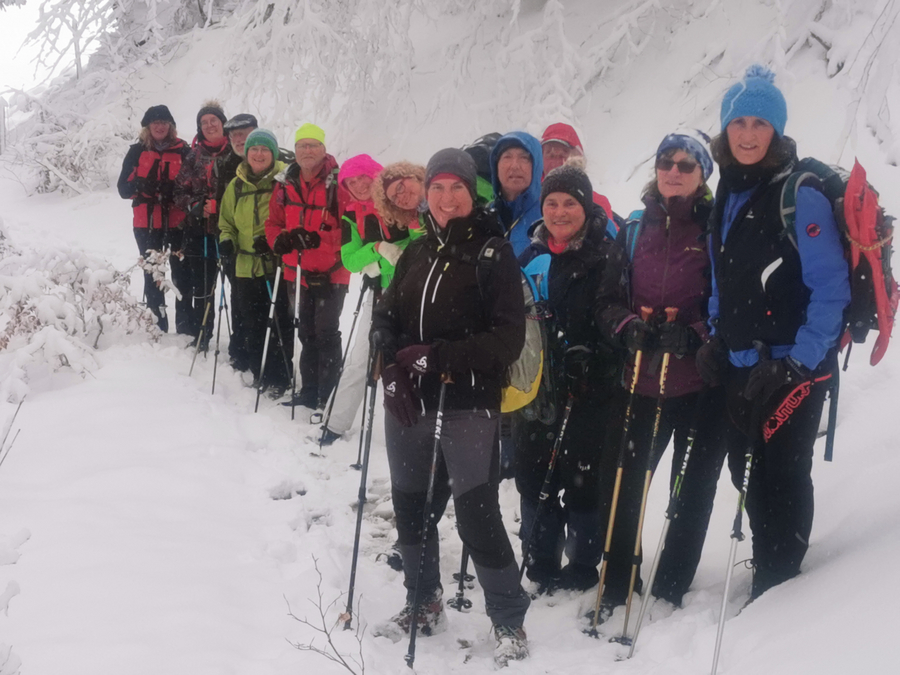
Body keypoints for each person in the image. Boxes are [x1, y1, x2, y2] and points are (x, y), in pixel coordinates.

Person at [370, 148, 531, 667]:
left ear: (472, 192)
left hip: (468, 403)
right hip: (411, 401)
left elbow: (507, 340)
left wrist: (439, 358)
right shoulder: (417, 251)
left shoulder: (494, 254)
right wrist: (388, 360)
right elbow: (388, 313)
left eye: (455, 188)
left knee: (476, 514)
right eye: (436, 188)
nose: (444, 198)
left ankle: (508, 618)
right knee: (411, 505)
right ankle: (422, 601)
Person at [701, 65, 850, 600]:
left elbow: (831, 288)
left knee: (782, 474)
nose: (747, 133)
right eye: (738, 122)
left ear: (776, 130)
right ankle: (770, 559)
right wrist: (717, 336)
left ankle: (781, 588)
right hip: (744, 363)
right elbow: (724, 273)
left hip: (795, 367)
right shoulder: (730, 191)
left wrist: (797, 363)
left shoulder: (798, 194)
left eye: (759, 122)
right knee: (746, 473)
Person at [594, 130, 728, 613]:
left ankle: (671, 587)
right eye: (666, 162)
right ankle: (617, 580)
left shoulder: (716, 231)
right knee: (626, 484)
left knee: (689, 490)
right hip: (640, 381)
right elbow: (607, 301)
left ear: (702, 175)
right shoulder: (632, 231)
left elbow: (731, 305)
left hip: (701, 386)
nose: (674, 171)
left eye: (686, 165)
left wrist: (696, 334)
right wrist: (628, 327)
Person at [514, 164, 621, 594]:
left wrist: (596, 354)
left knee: (584, 480)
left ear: (586, 205)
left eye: (570, 203)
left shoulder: (607, 255)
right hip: (538, 388)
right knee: (533, 475)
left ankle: (582, 565)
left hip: (590, 389)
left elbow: (616, 316)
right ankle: (540, 559)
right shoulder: (529, 256)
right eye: (551, 203)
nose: (559, 212)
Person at [315, 154, 420, 446]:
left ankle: (416, 426)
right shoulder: (351, 215)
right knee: (360, 358)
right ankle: (335, 424)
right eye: (352, 180)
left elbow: (418, 247)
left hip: (416, 292)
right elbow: (349, 260)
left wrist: (380, 262)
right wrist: (377, 247)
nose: (359, 184)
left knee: (415, 360)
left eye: (364, 177)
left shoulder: (402, 204)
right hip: (379, 296)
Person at [265, 123, 348, 410]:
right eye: (302, 146)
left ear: (324, 150)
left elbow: (350, 231)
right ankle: (309, 391)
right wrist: (280, 241)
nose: (307, 151)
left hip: (333, 271)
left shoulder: (338, 184)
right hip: (295, 271)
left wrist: (317, 239)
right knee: (305, 332)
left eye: (313, 145)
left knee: (326, 332)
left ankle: (329, 396)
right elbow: (273, 223)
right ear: (295, 151)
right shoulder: (284, 183)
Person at [217, 128, 291, 396]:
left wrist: (274, 240)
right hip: (245, 265)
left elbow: (292, 219)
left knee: (279, 322)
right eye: (254, 150)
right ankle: (261, 372)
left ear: (273, 153)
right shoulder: (236, 186)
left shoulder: (284, 182)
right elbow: (226, 221)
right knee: (252, 322)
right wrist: (227, 239)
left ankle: (280, 376)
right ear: (246, 153)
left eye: (264, 149)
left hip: (275, 265)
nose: (259, 154)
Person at [117, 104, 190, 333]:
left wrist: (175, 191)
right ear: (147, 126)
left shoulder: (183, 151)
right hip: (146, 223)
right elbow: (122, 189)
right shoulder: (137, 152)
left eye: (164, 122)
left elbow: (193, 187)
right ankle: (158, 324)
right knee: (152, 275)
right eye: (155, 122)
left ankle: (185, 324)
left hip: (178, 221)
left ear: (171, 126)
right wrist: (141, 184)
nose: (160, 126)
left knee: (181, 272)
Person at [174, 101, 230, 349]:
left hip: (231, 232)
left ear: (222, 123)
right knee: (202, 287)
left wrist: (220, 206)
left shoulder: (237, 154)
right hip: (199, 231)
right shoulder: (193, 156)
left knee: (239, 291)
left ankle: (242, 342)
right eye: (203, 122)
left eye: (213, 121)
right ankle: (202, 335)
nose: (209, 125)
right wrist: (197, 206)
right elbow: (177, 192)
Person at [540, 122, 615, 223]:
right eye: (551, 155)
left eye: (563, 155)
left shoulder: (597, 204)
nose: (556, 163)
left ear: (577, 157)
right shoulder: (528, 203)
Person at [489, 131, 544, 257]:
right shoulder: (484, 218)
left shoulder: (548, 217)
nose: (514, 166)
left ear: (536, 166)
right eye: (507, 157)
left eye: (524, 158)